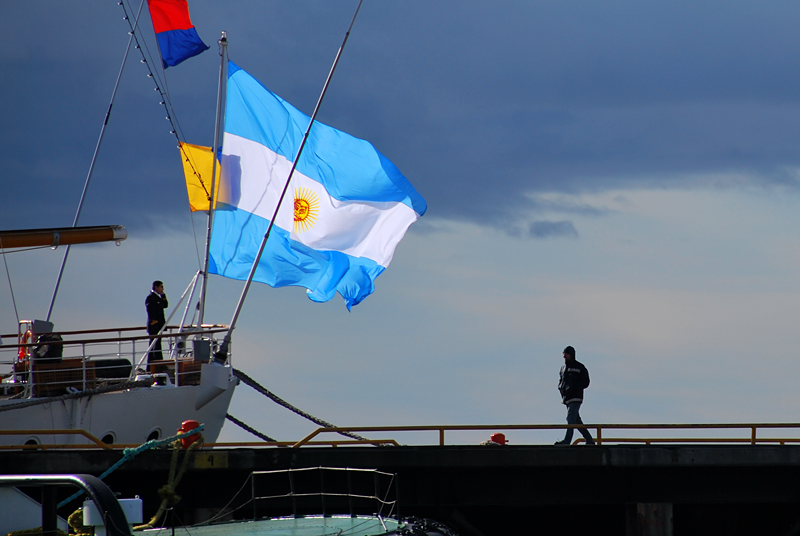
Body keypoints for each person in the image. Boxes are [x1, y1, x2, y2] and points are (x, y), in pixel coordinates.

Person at [555, 345, 595, 445]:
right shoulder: (563, 369)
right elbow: (562, 382)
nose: (564, 356)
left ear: (571, 355)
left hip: (575, 397)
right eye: (563, 354)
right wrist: (561, 389)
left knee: (570, 419)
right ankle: (589, 440)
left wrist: (575, 387)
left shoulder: (580, 367)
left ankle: (567, 441)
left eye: (566, 354)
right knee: (576, 421)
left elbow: (586, 382)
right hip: (567, 398)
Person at [145, 280, 168, 365]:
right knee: (154, 346)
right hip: (154, 326)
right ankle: (153, 365)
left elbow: (165, 305)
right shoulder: (151, 298)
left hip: (159, 326)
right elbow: (151, 312)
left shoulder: (158, 297)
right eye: (161, 287)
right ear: (156, 287)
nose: (163, 289)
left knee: (157, 346)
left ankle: (157, 364)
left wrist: (163, 295)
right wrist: (155, 324)